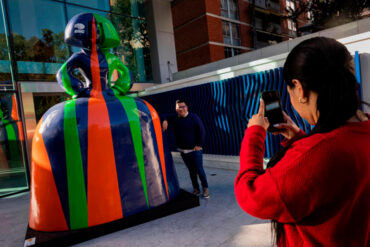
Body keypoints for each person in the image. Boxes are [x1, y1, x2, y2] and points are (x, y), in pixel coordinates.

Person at [234, 37, 370, 247]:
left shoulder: (317, 155)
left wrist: (255, 133)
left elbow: (250, 194)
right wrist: (300, 139)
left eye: (289, 92)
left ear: (299, 89)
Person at [162, 100, 210, 198]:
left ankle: (205, 188)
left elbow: (202, 131)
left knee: (199, 170)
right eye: (179, 107)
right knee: (191, 171)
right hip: (183, 151)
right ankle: (196, 189)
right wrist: (165, 120)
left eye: (183, 106)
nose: (181, 109)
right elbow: (162, 115)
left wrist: (199, 144)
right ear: (176, 109)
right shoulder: (174, 118)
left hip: (195, 151)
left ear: (186, 107)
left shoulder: (194, 117)